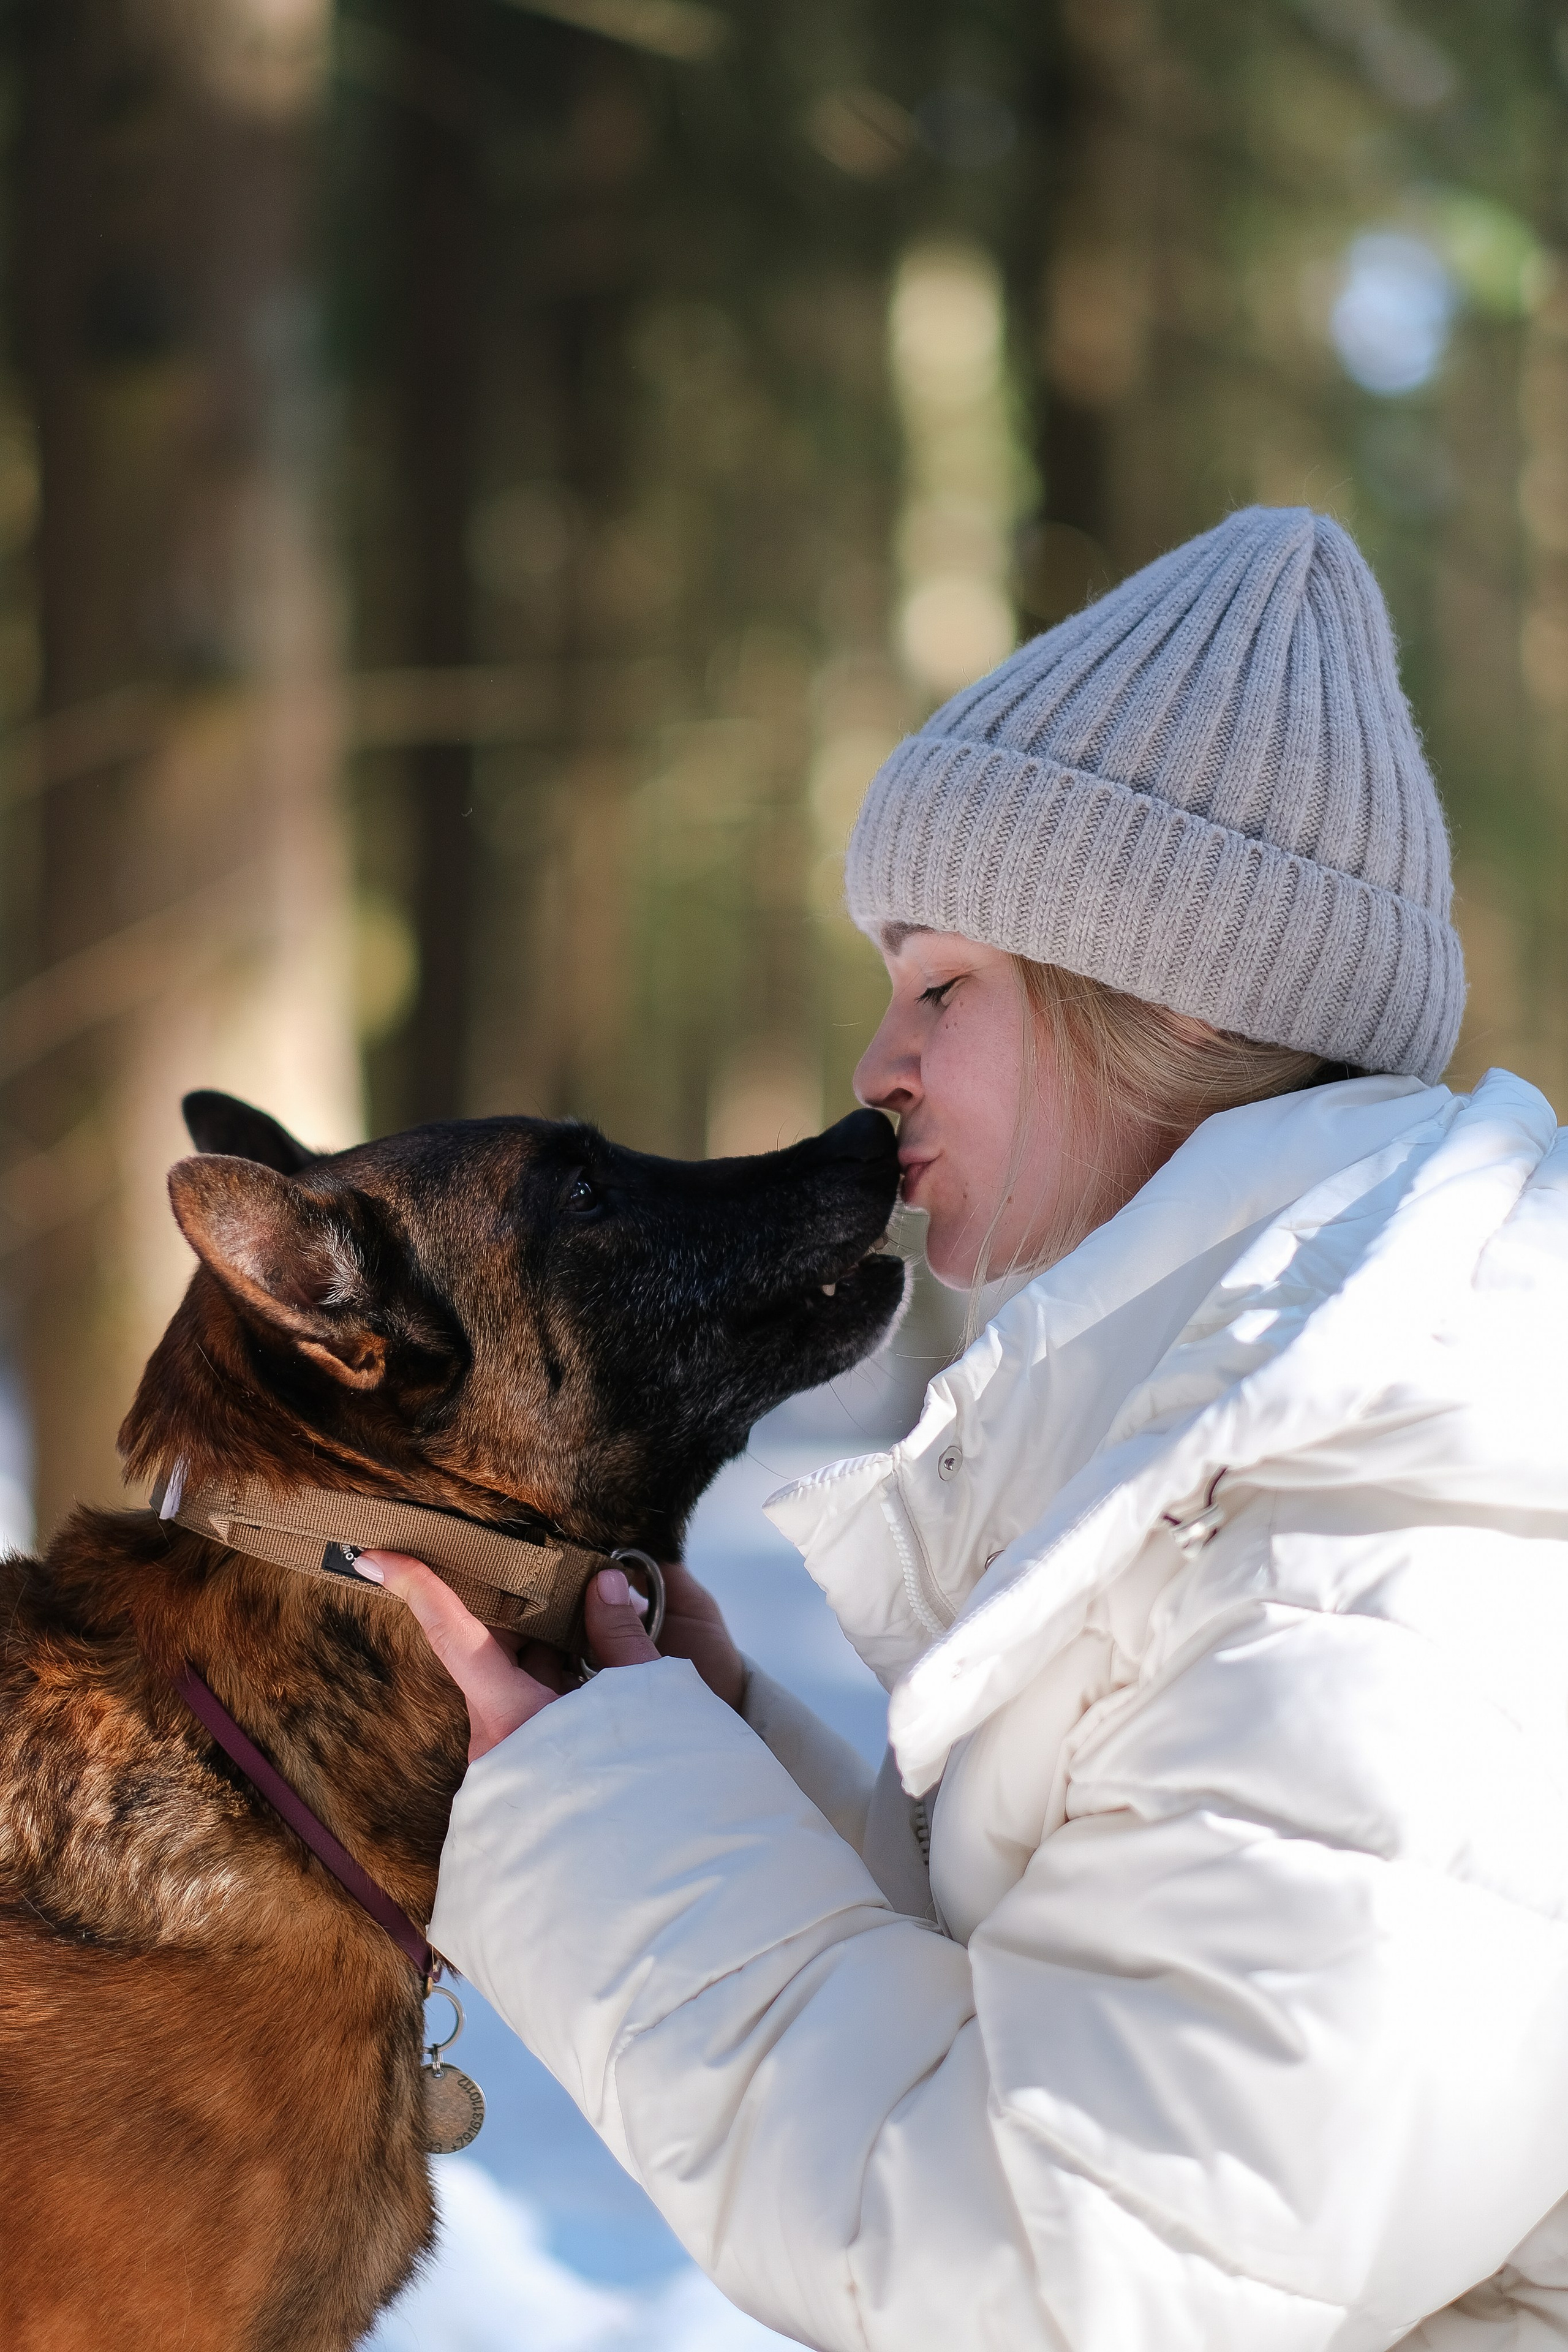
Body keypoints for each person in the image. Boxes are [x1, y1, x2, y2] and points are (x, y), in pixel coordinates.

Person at [358, 507, 1568, 2351]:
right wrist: (715, 1763)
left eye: (942, 985)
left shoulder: (1389, 1539)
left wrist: (597, 1828)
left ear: (1171, 993)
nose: (875, 1067)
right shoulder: (1307, 1447)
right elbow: (1099, 2005)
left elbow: (1076, 2279)